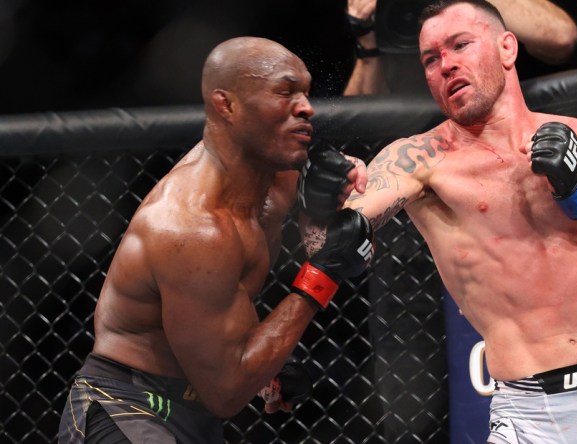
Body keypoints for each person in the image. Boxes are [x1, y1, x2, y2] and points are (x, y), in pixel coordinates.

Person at [343, 1, 577, 442]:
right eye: (431, 58)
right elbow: (328, 241)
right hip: (534, 418)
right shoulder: (419, 161)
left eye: (460, 45)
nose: (447, 65)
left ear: (507, 49)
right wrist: (324, 202)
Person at [57, 36, 374, 443]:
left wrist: (268, 368)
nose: (307, 107)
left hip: (199, 410)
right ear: (227, 105)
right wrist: (321, 276)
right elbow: (227, 392)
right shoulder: (190, 226)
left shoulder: (280, 177)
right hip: (130, 408)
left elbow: (340, 243)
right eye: (284, 91)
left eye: (306, 92)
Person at [343, 0, 577, 96]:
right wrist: (366, 37)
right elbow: (356, 131)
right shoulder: (383, 13)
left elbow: (561, 38)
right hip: (426, 135)